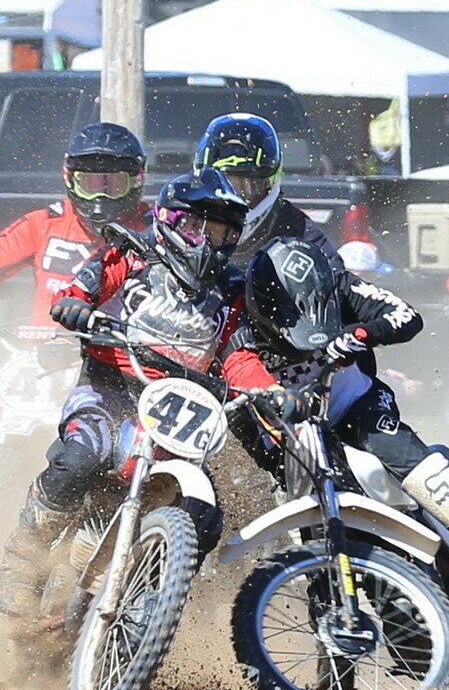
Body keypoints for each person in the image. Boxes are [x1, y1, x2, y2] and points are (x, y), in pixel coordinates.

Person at [0, 170, 300, 615]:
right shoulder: (132, 252)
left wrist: (270, 391)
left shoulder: (232, 290)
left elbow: (239, 355)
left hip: (178, 408)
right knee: (80, 458)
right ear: (168, 219)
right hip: (109, 389)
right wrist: (76, 305)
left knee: (205, 515)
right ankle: (22, 561)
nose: (204, 241)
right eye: (194, 226)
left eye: (218, 231)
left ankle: (149, 600)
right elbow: (84, 286)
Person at [242, 237, 449, 570]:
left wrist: (360, 334)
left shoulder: (340, 284)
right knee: (321, 507)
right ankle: (330, 586)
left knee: (385, 436)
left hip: (356, 403)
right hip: (291, 429)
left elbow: (407, 316)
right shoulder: (236, 312)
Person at [0, 122, 149, 326]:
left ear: (136, 182)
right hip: (46, 344)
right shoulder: (43, 224)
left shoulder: (155, 231)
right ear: (70, 181)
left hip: (127, 344)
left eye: (114, 185)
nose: (100, 197)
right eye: (90, 185)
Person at [194, 112, 342, 270]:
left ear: (270, 183)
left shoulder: (298, 229)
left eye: (247, 186)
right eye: (224, 185)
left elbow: (336, 275)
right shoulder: (187, 222)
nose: (234, 199)